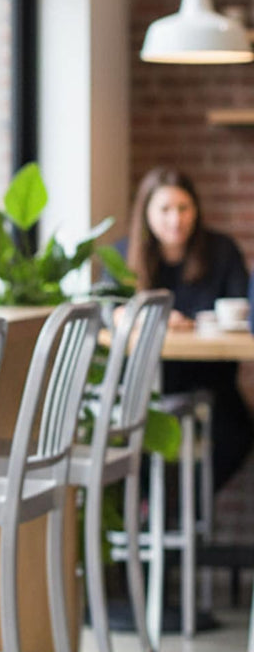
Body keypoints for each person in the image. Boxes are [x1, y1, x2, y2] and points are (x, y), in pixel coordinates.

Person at [113, 165, 253, 492]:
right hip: (146, 379)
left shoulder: (221, 251)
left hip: (209, 377)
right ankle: (155, 511)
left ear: (196, 210)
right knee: (127, 436)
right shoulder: (123, 255)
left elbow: (241, 309)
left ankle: (187, 507)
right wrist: (149, 318)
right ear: (146, 212)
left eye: (183, 208)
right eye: (164, 210)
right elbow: (110, 310)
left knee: (239, 435)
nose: (175, 220)